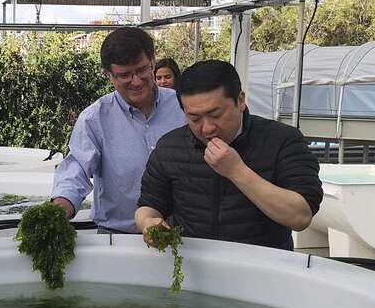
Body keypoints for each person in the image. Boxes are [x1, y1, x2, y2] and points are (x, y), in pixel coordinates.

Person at [135, 60, 323, 250]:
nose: (207, 128)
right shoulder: (170, 147)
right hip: (193, 268)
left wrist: (236, 171)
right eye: (195, 118)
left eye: (216, 115)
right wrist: (148, 222)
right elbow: (149, 205)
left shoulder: (282, 140)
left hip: (264, 269)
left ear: (240, 100)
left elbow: (300, 216)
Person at [51, 27, 185, 233]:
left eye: (141, 70)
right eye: (125, 75)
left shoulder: (183, 107)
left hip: (180, 237)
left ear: (152, 62)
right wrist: (59, 210)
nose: (137, 81)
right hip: (117, 239)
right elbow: (76, 168)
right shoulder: (95, 118)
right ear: (109, 75)